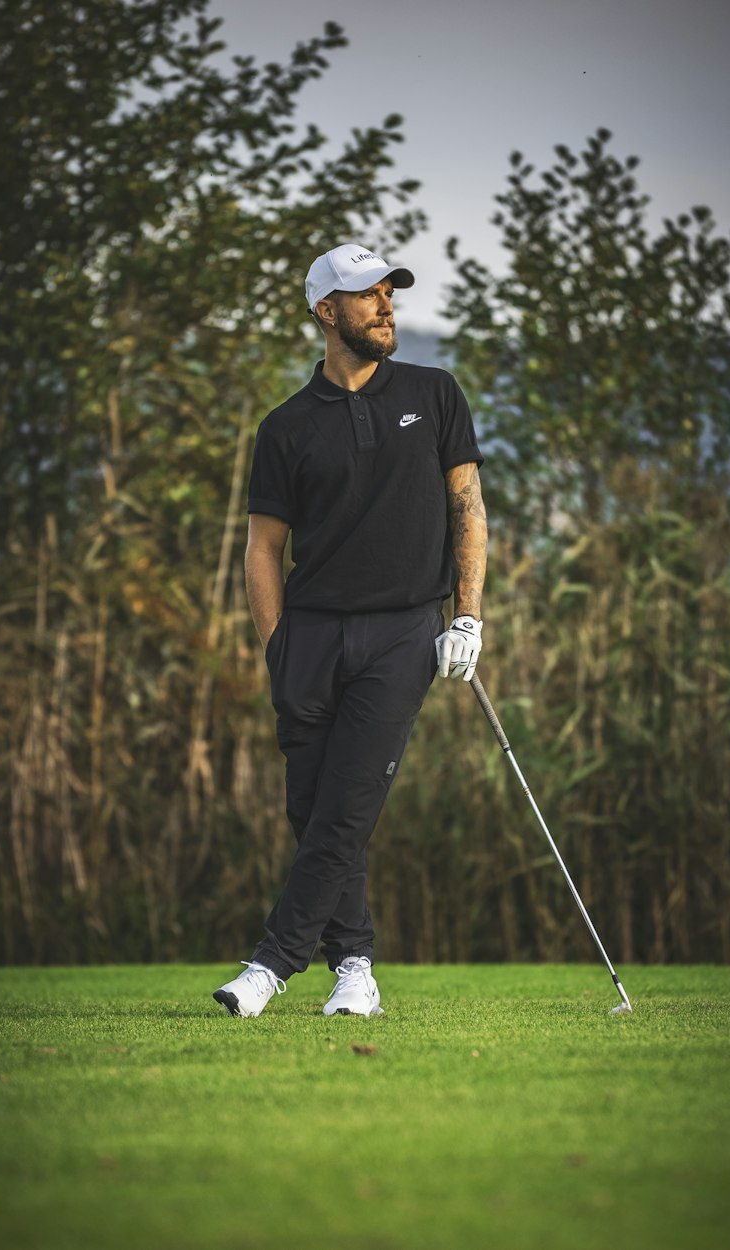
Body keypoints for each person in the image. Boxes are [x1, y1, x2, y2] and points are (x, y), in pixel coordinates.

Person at [213, 242, 488, 1018]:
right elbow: (263, 548)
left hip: (402, 635)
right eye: (368, 296)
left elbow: (468, 510)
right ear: (326, 312)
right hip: (309, 639)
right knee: (317, 811)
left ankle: (270, 965)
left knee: (347, 803)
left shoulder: (434, 395)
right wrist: (277, 645)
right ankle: (356, 969)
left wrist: (467, 616)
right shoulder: (286, 427)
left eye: (390, 293)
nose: (386, 305)